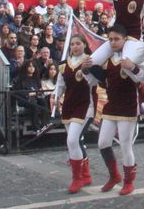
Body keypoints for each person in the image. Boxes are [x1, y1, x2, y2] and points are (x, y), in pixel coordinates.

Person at [91, 25, 144, 196]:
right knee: (103, 142)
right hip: (111, 105)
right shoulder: (107, 57)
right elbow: (104, 81)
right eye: (110, 39)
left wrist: (132, 67)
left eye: (117, 39)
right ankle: (114, 175)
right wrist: (91, 69)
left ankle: (128, 181)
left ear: (125, 39)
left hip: (128, 106)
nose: (113, 42)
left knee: (125, 145)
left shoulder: (134, 56)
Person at [53, 35, 95, 194]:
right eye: (72, 44)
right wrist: (55, 97)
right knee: (76, 141)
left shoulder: (90, 61)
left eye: (78, 43)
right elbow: (60, 85)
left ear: (84, 45)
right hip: (69, 105)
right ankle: (85, 174)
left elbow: (96, 82)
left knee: (72, 140)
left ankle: (77, 178)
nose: (75, 47)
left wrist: (85, 72)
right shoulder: (64, 66)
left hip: (85, 105)